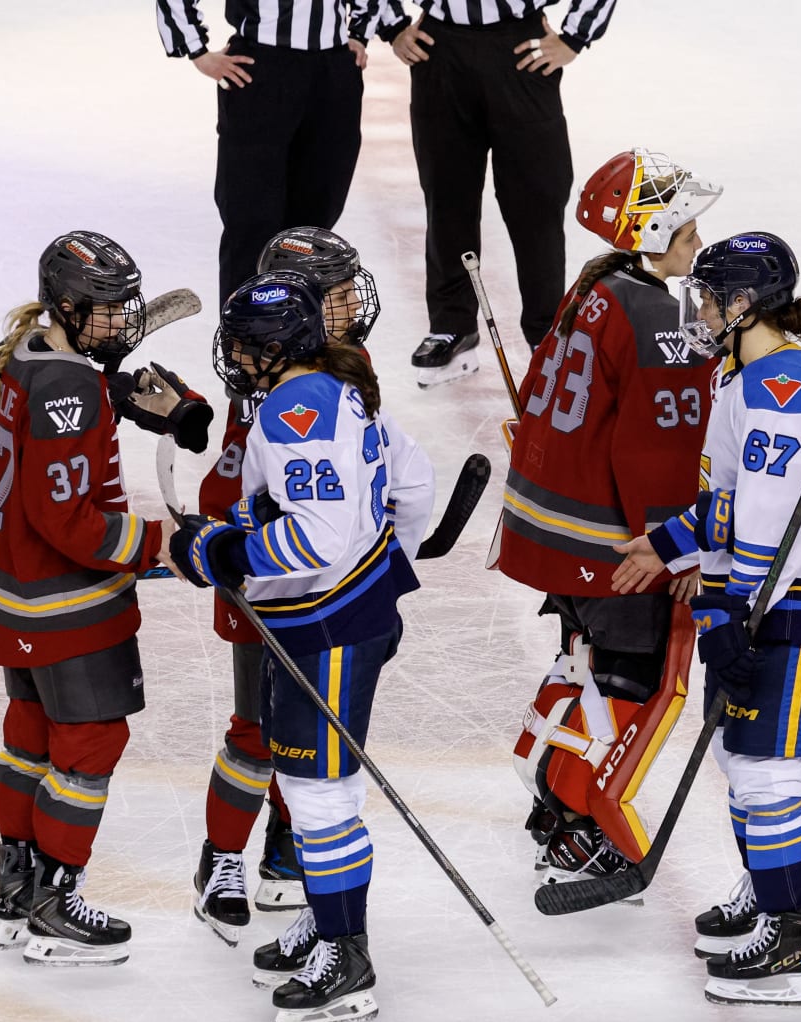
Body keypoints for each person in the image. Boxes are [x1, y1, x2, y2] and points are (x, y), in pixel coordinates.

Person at [168, 268, 435, 1022]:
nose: (234, 357)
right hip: (341, 617)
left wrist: (226, 554)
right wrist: (386, 573)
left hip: (325, 627)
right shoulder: (338, 388)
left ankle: (346, 960)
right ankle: (326, 921)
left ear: (273, 349)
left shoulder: (295, 410)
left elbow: (317, 538)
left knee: (319, 797)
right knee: (318, 787)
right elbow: (414, 483)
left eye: (243, 345)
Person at [613, 231, 801, 1008]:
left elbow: (772, 523)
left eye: (711, 298)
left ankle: (791, 942)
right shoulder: (746, 375)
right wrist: (667, 544)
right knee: (737, 756)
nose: (702, 311)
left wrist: (730, 609)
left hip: (787, 606)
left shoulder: (779, 387)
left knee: (768, 772)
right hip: (761, 599)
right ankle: (767, 888)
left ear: (744, 304)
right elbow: (732, 503)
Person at [494, 149, 723, 890]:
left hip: (554, 533)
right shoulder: (662, 318)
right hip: (614, 547)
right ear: (651, 232)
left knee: (585, 665)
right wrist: (676, 549)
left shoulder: (595, 288)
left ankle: (553, 801)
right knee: (632, 679)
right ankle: (576, 820)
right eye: (686, 227)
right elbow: (658, 450)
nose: (698, 240)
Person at [0, 231, 207, 966]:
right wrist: (157, 544)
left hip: (10, 594)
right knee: (91, 743)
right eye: (106, 310)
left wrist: (123, 400)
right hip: (67, 602)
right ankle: (55, 904)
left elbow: (53, 414)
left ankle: (17, 889)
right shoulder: (69, 389)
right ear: (67, 308)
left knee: (30, 735)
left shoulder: (11, 355)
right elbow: (68, 520)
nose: (121, 322)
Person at [190, 227, 384, 944]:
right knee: (259, 730)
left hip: (318, 580)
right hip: (267, 574)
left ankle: (286, 847)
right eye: (338, 292)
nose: (353, 303)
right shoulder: (274, 373)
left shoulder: (333, 364)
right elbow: (235, 481)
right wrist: (232, 534)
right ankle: (221, 857)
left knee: (309, 743)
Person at [355, 0, 621, 387]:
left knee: (536, 200)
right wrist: (393, 27)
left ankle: (546, 334)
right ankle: (452, 327)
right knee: (447, 197)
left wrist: (576, 36)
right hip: (439, 46)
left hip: (520, 47)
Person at [153, 1, 375, 305]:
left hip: (333, 71)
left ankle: (301, 329)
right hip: (261, 69)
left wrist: (360, 32)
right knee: (250, 221)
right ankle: (244, 332)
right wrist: (197, 51)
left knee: (315, 223)